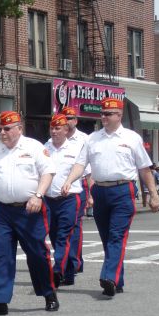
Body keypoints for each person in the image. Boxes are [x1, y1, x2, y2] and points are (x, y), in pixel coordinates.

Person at [62, 97, 159, 297]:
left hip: (123, 190)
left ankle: (108, 277)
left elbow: (145, 169)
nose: (103, 117)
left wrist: (153, 194)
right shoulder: (92, 138)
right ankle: (118, 280)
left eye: (108, 114)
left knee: (117, 236)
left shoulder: (132, 138)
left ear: (119, 115)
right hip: (100, 191)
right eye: (102, 114)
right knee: (107, 238)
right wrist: (70, 180)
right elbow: (80, 164)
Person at [0, 111, 58, 316]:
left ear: (19, 128)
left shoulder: (34, 147)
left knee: (38, 254)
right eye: (0, 129)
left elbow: (48, 173)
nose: (3, 133)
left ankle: (48, 293)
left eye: (7, 128)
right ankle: (0, 301)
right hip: (3, 211)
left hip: (29, 209)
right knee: (1, 256)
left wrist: (39, 196)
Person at [44, 114, 83, 288]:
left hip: (69, 199)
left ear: (66, 130)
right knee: (53, 235)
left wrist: (90, 195)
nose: (54, 131)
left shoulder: (76, 149)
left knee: (64, 236)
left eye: (58, 128)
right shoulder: (45, 148)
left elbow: (85, 172)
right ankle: (68, 272)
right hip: (49, 199)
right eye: (52, 128)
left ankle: (58, 268)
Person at [60, 106, 91, 274]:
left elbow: (89, 169)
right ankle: (69, 260)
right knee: (62, 227)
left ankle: (75, 261)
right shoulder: (55, 139)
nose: (68, 121)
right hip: (58, 189)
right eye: (65, 118)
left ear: (76, 121)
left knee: (75, 225)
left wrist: (91, 194)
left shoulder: (84, 139)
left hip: (80, 185)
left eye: (71, 118)